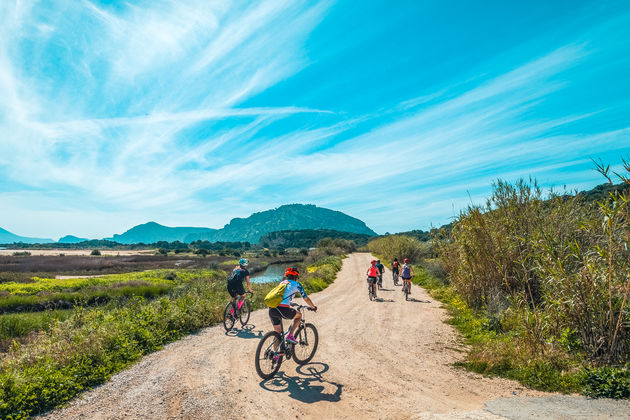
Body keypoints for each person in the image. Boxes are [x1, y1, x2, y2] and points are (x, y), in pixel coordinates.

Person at [268, 267, 317, 356]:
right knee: (299, 315)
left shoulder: (282, 283)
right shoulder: (297, 284)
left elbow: (282, 297)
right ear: (296, 277)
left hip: (272, 309)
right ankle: (290, 335)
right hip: (283, 309)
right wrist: (313, 306)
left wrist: (291, 303)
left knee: (277, 334)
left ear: (287, 275)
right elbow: (305, 298)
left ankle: (276, 355)